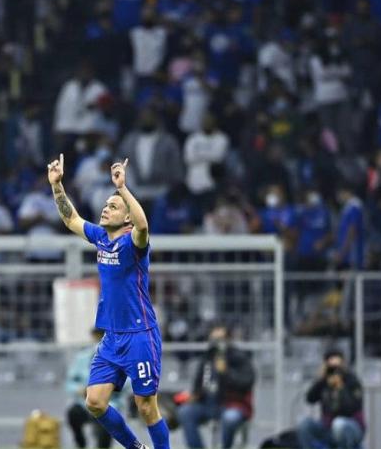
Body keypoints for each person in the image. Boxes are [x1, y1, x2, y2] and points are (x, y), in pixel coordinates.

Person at [47, 153, 169, 449]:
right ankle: (137, 448)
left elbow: (143, 227)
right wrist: (57, 185)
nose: (105, 208)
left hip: (140, 335)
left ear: (126, 217)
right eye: (105, 204)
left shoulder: (134, 243)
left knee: (145, 406)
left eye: (112, 206)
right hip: (112, 338)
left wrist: (123, 189)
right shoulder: (101, 238)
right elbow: (71, 218)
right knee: (95, 402)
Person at [177, 325, 255, 449]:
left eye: (221, 339)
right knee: (185, 412)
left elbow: (246, 382)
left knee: (230, 418)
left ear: (228, 339)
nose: (217, 343)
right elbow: (198, 384)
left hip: (232, 403)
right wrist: (195, 395)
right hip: (208, 403)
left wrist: (226, 372)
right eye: (214, 339)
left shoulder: (239, 357)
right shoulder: (207, 357)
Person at [297, 350, 366, 449]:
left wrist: (340, 387)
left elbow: (351, 407)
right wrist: (322, 379)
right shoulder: (325, 382)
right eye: (331, 368)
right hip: (327, 427)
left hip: (352, 427)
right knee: (304, 424)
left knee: (339, 424)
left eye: (337, 367)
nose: (334, 371)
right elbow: (310, 398)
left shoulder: (352, 380)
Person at [66, 329, 119, 449]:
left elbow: (127, 384)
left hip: (108, 404)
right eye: (97, 337)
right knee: (73, 413)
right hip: (84, 403)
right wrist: (79, 389)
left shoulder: (118, 358)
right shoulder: (82, 358)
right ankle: (81, 443)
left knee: (107, 421)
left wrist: (107, 388)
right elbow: (69, 383)